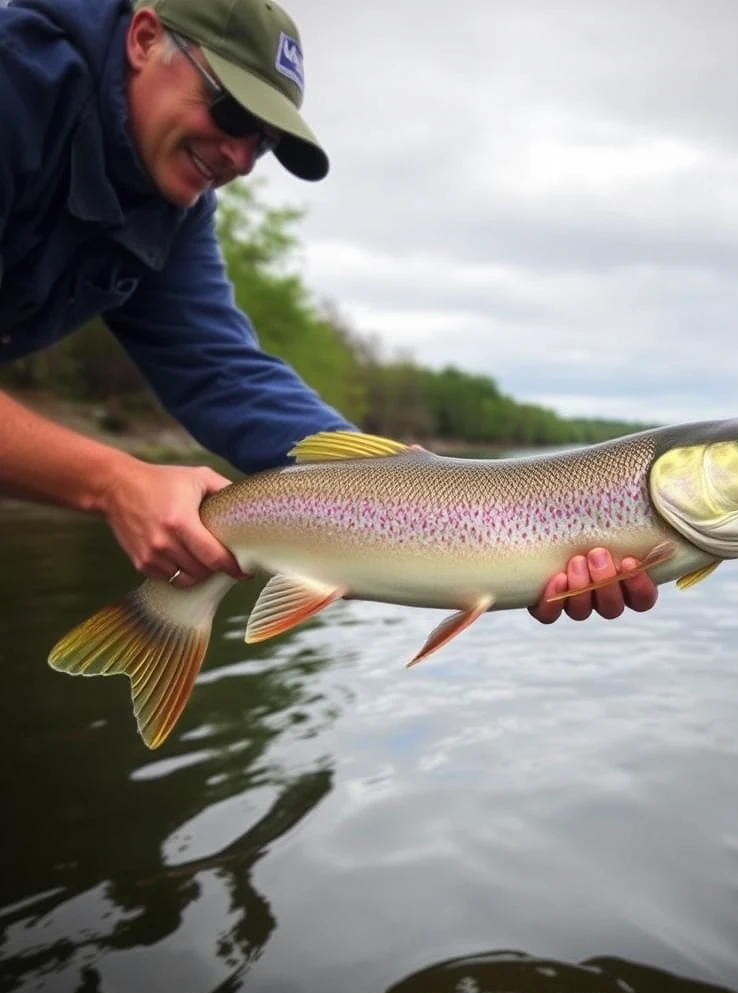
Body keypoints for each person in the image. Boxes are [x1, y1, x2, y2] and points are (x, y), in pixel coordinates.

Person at [0, 0, 658, 623]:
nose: (238, 158)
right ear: (144, 40)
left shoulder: (172, 204)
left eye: (260, 143)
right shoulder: (14, 81)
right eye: (231, 113)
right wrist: (113, 482)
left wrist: (420, 499)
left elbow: (225, 376)